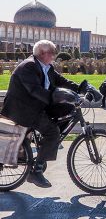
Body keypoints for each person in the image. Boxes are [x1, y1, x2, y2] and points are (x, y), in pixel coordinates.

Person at [1, 40, 80, 188]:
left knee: (67, 110)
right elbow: (34, 90)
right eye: (52, 53)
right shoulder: (28, 66)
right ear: (43, 53)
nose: (54, 56)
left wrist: (83, 87)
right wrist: (54, 96)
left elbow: (61, 81)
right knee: (52, 132)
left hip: (35, 106)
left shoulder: (45, 67)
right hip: (22, 109)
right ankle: (36, 172)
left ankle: (45, 144)